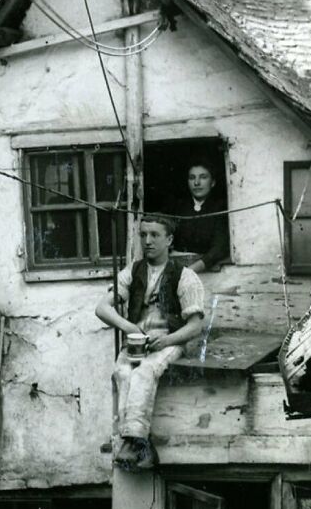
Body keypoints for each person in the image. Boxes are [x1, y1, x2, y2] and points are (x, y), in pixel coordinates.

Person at [95, 215, 204, 470]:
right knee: (121, 372)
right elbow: (102, 308)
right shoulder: (133, 271)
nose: (148, 241)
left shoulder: (185, 276)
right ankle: (133, 442)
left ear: (169, 239)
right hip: (137, 342)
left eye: (154, 235)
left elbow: (195, 326)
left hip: (169, 341)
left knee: (145, 371)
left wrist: (166, 339)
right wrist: (129, 327)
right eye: (143, 235)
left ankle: (134, 444)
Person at [172, 160, 229, 273]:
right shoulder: (178, 208)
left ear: (212, 182)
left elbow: (220, 247)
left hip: (209, 274)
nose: (197, 183)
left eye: (203, 177)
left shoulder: (221, 208)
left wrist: (191, 270)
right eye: (192, 178)